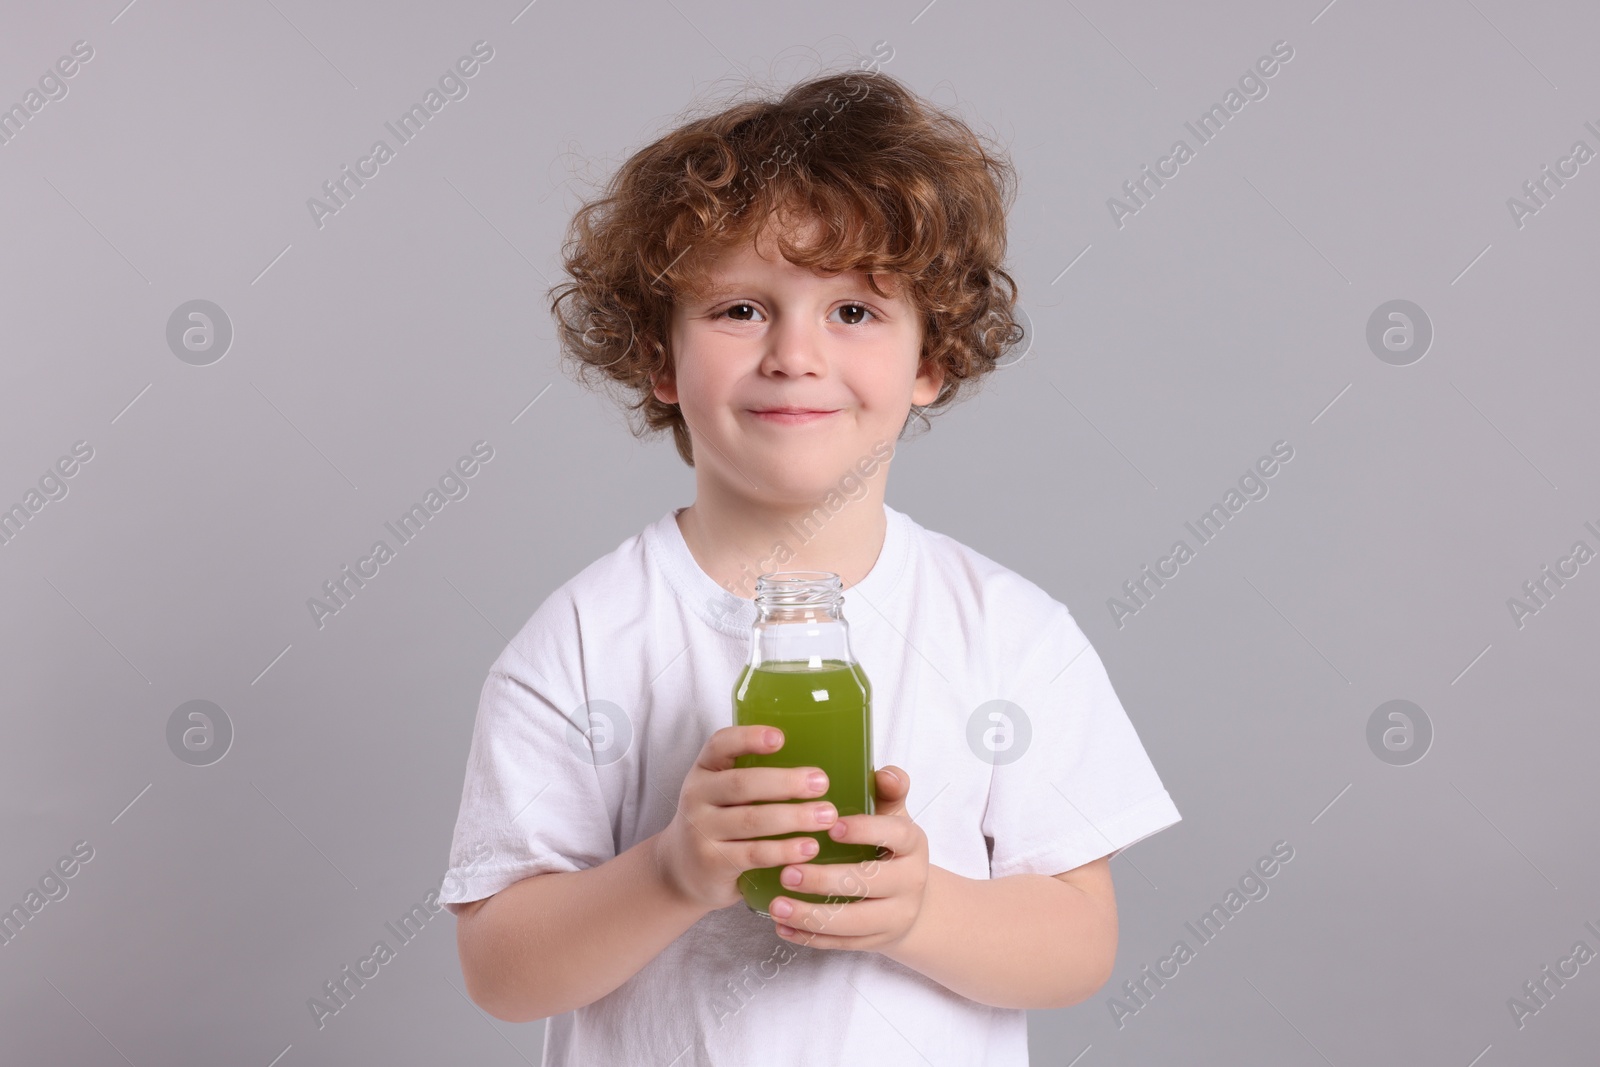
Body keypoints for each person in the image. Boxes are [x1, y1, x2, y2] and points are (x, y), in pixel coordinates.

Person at [438, 63, 1182, 1065]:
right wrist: (670, 871)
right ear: (660, 358)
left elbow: (1079, 940)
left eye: (854, 311)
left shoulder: (1010, 632)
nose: (794, 353)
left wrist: (919, 907)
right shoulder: (585, 636)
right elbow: (501, 968)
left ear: (931, 359)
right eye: (739, 309)